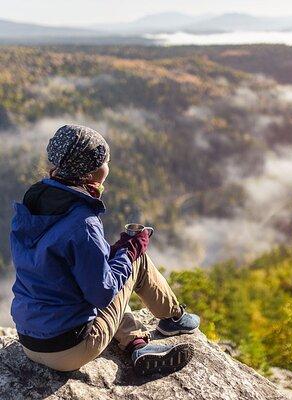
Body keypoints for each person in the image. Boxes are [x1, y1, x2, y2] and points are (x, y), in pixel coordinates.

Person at [9, 124, 200, 376]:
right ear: (92, 173)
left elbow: (65, 267)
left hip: (30, 341)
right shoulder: (83, 222)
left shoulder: (32, 205)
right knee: (136, 262)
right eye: (106, 161)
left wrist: (117, 253)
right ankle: (172, 318)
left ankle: (136, 344)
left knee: (114, 265)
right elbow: (103, 293)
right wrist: (131, 250)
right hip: (69, 348)